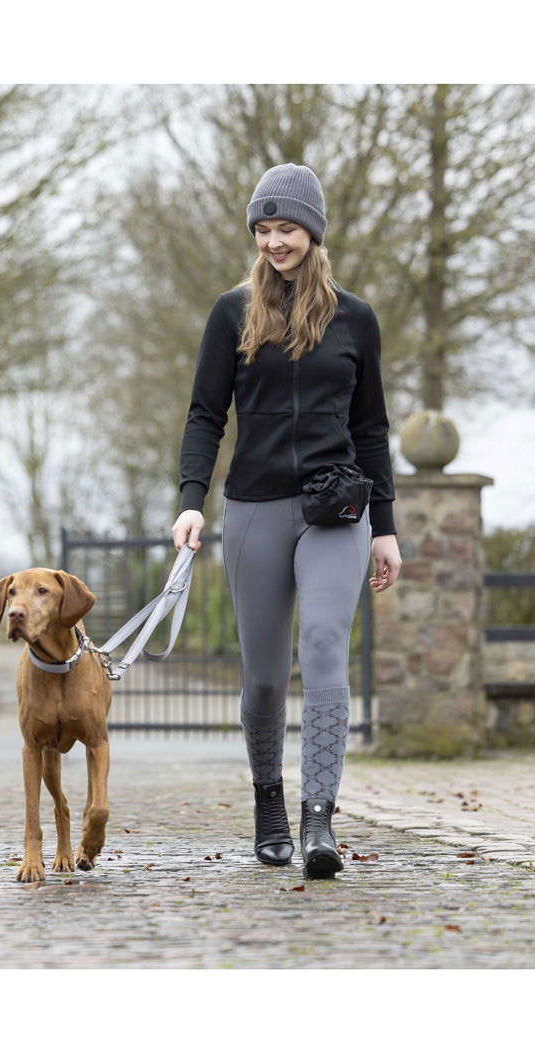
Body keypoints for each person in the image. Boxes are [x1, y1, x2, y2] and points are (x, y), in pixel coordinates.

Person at [171, 163, 402, 880]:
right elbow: (207, 413)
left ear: (314, 232)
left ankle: (319, 818)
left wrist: (385, 525)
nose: (275, 241)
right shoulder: (231, 313)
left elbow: (372, 426)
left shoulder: (356, 319)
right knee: (266, 675)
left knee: (326, 643)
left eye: (287, 228)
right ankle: (269, 799)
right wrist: (190, 498)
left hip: (337, 509)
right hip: (256, 506)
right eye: (264, 230)